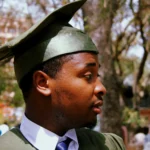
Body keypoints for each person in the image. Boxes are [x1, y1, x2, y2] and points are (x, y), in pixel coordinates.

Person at [0, 0, 126, 149]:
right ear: (42, 82)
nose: (101, 88)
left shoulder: (109, 146)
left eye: (97, 76)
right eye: (88, 76)